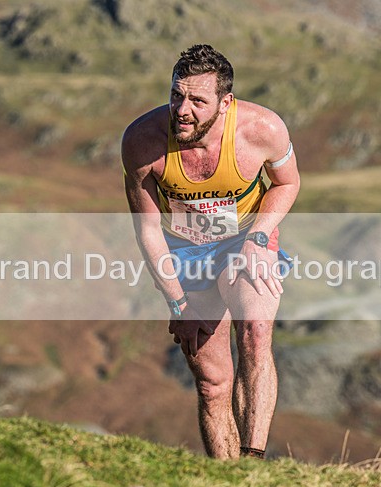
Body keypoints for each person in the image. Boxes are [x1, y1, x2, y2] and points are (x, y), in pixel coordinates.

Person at [122, 44, 301, 459]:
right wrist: (179, 305)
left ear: (225, 103)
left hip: (245, 239)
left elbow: (287, 184)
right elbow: (147, 231)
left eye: (198, 101)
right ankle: (227, 481)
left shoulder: (262, 130)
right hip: (183, 250)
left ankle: (253, 463)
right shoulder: (142, 141)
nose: (182, 110)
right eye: (176, 95)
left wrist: (259, 238)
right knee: (212, 380)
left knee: (255, 334)